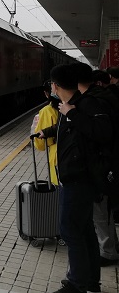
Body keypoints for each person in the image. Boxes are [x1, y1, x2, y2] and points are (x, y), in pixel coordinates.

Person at [39, 64, 114, 293]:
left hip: (79, 178)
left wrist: (71, 113)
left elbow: (102, 132)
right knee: (84, 229)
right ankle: (91, 281)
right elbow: (73, 128)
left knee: (70, 229)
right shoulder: (70, 106)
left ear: (56, 85)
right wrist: (49, 131)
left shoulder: (85, 105)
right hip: (76, 178)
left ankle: (76, 284)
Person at [73, 64, 119, 267]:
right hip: (105, 161)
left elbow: (100, 133)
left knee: (101, 210)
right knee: (102, 210)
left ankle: (108, 251)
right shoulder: (104, 96)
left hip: (101, 164)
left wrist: (73, 114)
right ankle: (110, 247)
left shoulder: (94, 101)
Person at [33, 80, 60, 185]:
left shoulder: (47, 110)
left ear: (46, 93)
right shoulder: (70, 105)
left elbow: (41, 145)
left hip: (57, 156)